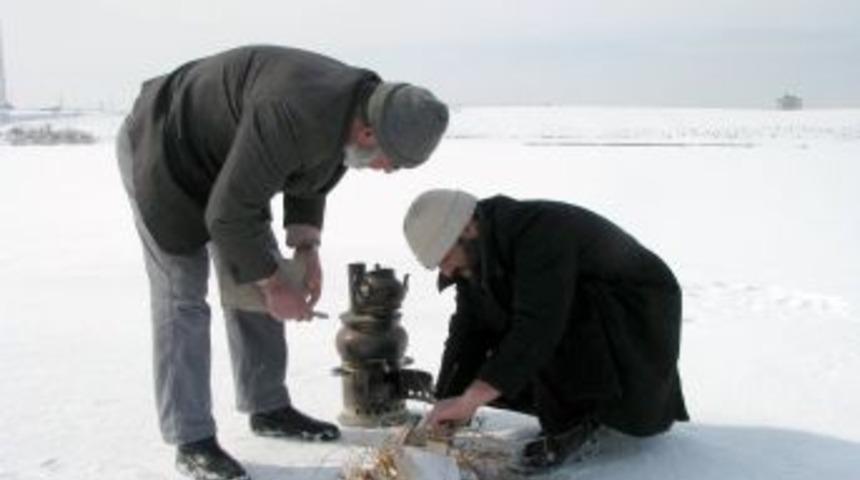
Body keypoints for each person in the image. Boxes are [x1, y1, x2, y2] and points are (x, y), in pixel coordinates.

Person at [116, 45, 448, 480]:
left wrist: (306, 250)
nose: (389, 171)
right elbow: (228, 216)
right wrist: (274, 285)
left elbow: (315, 169)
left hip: (230, 162)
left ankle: (267, 405)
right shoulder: (291, 111)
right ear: (369, 133)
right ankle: (191, 439)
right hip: (165, 149)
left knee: (258, 267)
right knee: (182, 296)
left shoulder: (361, 104)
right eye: (394, 162)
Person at [403, 189, 688, 473]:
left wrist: (472, 398)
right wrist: (447, 402)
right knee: (499, 327)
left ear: (468, 228)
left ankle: (573, 421)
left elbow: (539, 326)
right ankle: (567, 402)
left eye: (445, 257)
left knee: (540, 321)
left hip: (636, 322)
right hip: (580, 321)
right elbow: (469, 332)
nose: (447, 271)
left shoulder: (540, 232)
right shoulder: (478, 254)